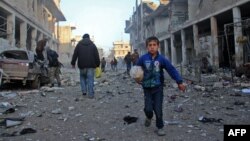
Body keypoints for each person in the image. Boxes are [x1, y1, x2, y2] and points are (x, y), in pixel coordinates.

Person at [136, 36, 186, 136]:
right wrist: (137, 77)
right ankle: (149, 116)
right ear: (147, 47)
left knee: (158, 109)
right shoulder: (143, 58)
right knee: (148, 108)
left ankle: (160, 127)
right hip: (147, 88)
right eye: (150, 45)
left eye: (154, 45)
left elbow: (171, 69)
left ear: (158, 46)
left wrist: (179, 82)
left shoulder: (162, 59)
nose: (152, 47)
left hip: (158, 88)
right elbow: (136, 69)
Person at [71, 33, 100, 99]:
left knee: (82, 78)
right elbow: (96, 55)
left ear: (83, 38)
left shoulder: (79, 45)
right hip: (91, 66)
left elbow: (75, 54)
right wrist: (97, 64)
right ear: (89, 38)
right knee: (90, 79)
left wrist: (73, 63)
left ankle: (84, 91)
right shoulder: (93, 45)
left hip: (82, 65)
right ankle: (91, 94)